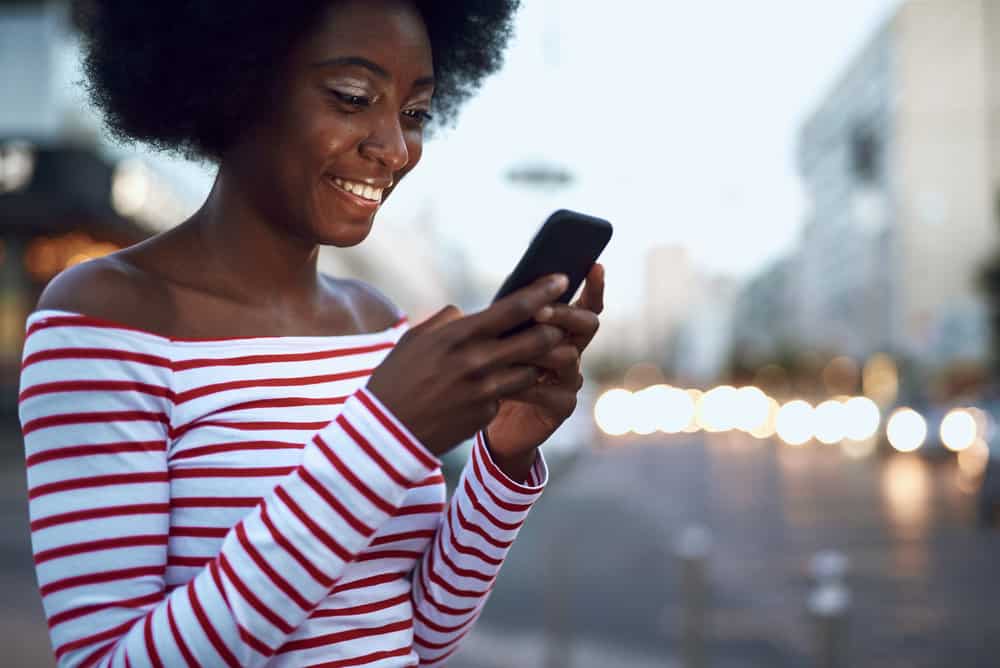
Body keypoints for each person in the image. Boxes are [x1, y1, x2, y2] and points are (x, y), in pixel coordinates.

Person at [18, 1, 604, 666]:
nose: (395, 148)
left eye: (414, 113)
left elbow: (422, 637)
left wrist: (502, 458)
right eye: (354, 97)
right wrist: (386, 433)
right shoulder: (105, 318)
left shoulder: (376, 322)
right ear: (234, 82)